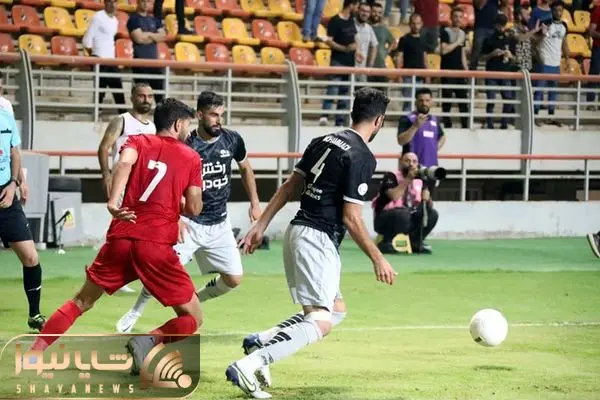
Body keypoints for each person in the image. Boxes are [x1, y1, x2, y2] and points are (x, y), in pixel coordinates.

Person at [225, 88, 397, 398]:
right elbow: (352, 218)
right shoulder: (361, 156)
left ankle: (261, 341)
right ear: (379, 121)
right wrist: (378, 258)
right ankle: (249, 365)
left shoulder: (323, 141)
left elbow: (289, 187)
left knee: (336, 310)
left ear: (353, 113)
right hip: (317, 240)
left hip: (299, 231)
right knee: (321, 321)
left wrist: (260, 225)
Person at [29, 99, 204, 372]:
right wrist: (178, 202)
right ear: (178, 124)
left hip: (122, 236)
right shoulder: (191, 157)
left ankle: (33, 354)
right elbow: (193, 207)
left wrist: (113, 200)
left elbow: (123, 163)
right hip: (156, 246)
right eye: (188, 124)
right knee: (193, 318)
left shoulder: (137, 141)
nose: (189, 130)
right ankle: (147, 341)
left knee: (81, 301)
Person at [115, 91, 261, 333]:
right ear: (200, 115)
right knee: (163, 270)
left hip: (219, 224)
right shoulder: (186, 144)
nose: (219, 120)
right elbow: (170, 183)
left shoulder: (232, 140)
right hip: (189, 223)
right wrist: (177, 217)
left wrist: (254, 203)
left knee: (234, 278)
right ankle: (136, 311)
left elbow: (246, 169)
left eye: (221, 115)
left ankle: (196, 300)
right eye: (213, 115)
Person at [97, 82, 155, 293]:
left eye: (149, 96)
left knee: (136, 228)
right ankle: (109, 271)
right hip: (122, 181)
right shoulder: (122, 120)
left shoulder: (152, 127)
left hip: (142, 184)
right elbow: (104, 147)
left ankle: (121, 271)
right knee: (121, 227)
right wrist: (106, 174)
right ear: (132, 97)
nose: (146, 99)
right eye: (141, 96)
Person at [0, 108, 46, 332]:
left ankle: (34, 314)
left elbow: (15, 153)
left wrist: (14, 184)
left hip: (6, 195)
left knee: (30, 257)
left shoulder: (5, 116)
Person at [372, 152, 438, 254]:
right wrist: (408, 179)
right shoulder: (391, 176)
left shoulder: (420, 179)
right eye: (407, 161)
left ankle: (416, 242)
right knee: (403, 213)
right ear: (400, 162)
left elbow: (426, 207)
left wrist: (427, 199)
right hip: (384, 219)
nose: (411, 164)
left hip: (407, 217)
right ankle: (386, 242)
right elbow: (394, 196)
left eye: (414, 161)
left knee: (432, 213)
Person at [319, 0, 360, 127]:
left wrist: (355, 48)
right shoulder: (335, 20)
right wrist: (344, 48)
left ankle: (340, 120)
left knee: (345, 92)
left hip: (350, 62)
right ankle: (325, 116)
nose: (357, 9)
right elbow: (329, 41)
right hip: (338, 60)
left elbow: (354, 39)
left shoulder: (352, 20)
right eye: (357, 6)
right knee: (333, 88)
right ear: (351, 5)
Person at [82, 0, 126, 114]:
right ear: (105, 3)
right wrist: (93, 55)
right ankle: (97, 113)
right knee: (101, 90)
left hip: (111, 60)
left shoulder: (115, 21)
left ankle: (123, 115)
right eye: (109, 2)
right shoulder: (98, 17)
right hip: (99, 58)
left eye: (114, 2)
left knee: (118, 89)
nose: (112, 4)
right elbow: (87, 39)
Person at [533, 0, 568, 127]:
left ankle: (551, 116)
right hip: (545, 62)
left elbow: (564, 42)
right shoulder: (545, 23)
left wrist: (567, 58)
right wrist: (539, 56)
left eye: (560, 10)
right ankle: (535, 116)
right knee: (539, 90)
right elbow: (535, 40)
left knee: (553, 91)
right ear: (551, 10)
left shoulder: (564, 25)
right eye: (555, 10)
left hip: (556, 63)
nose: (558, 12)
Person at [481, 13, 517, 129]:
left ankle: (504, 123)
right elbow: (482, 57)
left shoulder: (510, 39)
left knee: (508, 99)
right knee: (491, 99)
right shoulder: (488, 39)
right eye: (499, 25)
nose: (501, 28)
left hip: (506, 73)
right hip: (491, 73)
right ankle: (489, 124)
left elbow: (516, 59)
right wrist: (492, 54)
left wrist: (510, 56)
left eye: (503, 25)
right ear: (495, 25)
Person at [127, 0, 167, 103]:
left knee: (160, 99)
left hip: (154, 64)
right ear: (138, 2)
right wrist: (154, 36)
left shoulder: (154, 19)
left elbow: (162, 36)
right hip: (140, 64)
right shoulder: (133, 19)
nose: (145, 4)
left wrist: (147, 35)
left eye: (148, 1)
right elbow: (138, 38)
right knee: (141, 98)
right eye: (143, 1)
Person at [397, 88, 446, 170]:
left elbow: (442, 137)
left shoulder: (434, 119)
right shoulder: (407, 118)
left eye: (427, 100)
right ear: (416, 102)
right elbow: (401, 141)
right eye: (421, 100)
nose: (424, 103)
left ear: (431, 101)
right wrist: (415, 126)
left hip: (432, 167)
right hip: (412, 169)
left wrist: (434, 148)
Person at [440, 6, 470, 129]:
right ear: (451, 17)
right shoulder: (445, 31)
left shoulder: (463, 33)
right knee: (447, 100)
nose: (458, 19)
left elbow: (462, 53)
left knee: (463, 100)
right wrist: (457, 42)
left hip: (459, 72)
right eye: (456, 16)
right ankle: (447, 125)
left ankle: (465, 125)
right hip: (447, 70)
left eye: (460, 17)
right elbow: (444, 50)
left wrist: (466, 70)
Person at [396, 14, 427, 112]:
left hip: (420, 77)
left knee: (421, 104)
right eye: (413, 23)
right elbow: (399, 57)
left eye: (418, 23)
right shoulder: (404, 39)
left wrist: (428, 75)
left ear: (421, 24)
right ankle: (406, 120)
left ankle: (419, 122)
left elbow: (424, 57)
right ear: (409, 24)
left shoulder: (423, 39)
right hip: (408, 77)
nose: (416, 26)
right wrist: (399, 75)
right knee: (408, 104)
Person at [354, 2, 378, 82]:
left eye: (367, 12)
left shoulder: (369, 28)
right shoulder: (350, 24)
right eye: (363, 11)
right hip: (349, 68)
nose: (365, 14)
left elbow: (374, 46)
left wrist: (370, 66)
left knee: (363, 90)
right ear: (358, 10)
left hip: (363, 70)